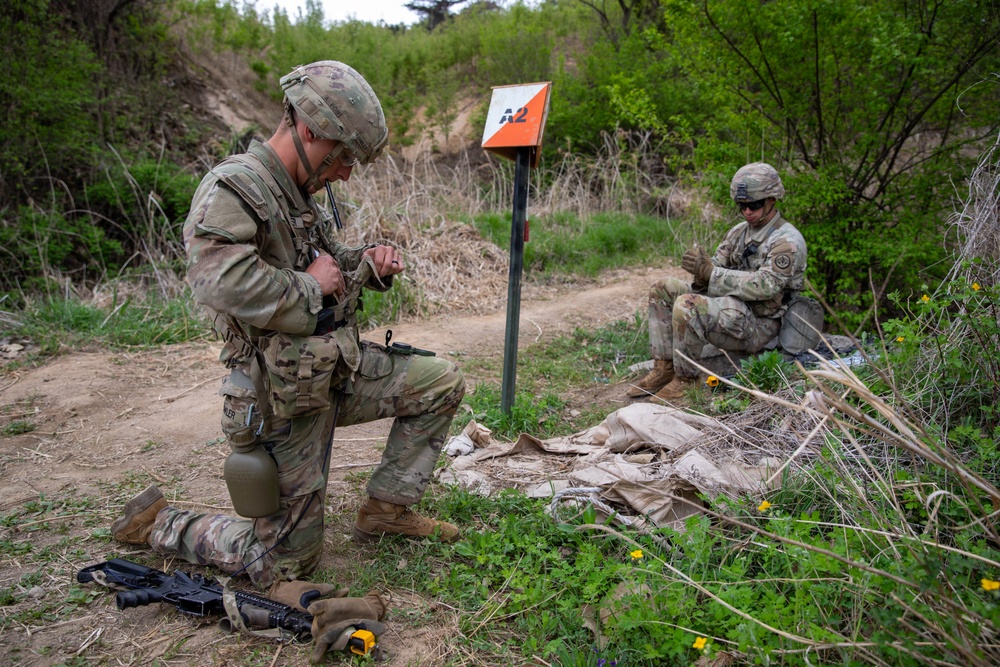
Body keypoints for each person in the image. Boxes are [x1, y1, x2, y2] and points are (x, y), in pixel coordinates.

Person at [110, 62, 466, 597]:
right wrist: (311, 287)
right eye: (342, 156)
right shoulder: (236, 187)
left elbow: (322, 262)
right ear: (308, 129)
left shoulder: (297, 190)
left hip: (332, 369)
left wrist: (365, 263)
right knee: (285, 567)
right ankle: (161, 523)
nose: (345, 172)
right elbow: (217, 280)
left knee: (439, 381)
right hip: (280, 396)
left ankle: (386, 511)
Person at [627, 162, 807, 401]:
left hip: (761, 323)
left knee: (688, 306)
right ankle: (664, 369)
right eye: (742, 206)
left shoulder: (787, 240)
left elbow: (766, 285)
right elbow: (717, 266)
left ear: (772, 200)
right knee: (663, 288)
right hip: (732, 308)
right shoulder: (738, 232)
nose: (747, 212)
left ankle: (686, 380)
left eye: (754, 205)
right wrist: (701, 271)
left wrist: (712, 274)